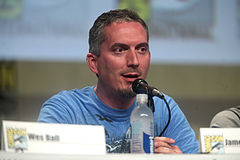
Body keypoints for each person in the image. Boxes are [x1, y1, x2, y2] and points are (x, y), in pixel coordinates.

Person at [38, 9, 199, 154]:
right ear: (94, 63)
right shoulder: (65, 110)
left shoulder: (162, 108)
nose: (134, 61)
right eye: (119, 50)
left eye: (141, 49)